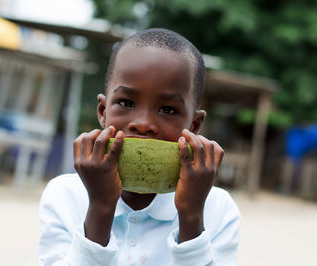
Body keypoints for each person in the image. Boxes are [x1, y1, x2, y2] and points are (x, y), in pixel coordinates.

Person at [38, 28, 241, 266]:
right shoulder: (65, 195)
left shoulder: (217, 208)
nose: (143, 124)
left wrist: (191, 213)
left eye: (168, 110)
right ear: (103, 112)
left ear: (194, 125)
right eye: (125, 102)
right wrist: (101, 206)